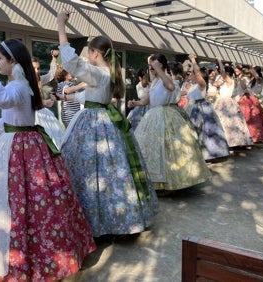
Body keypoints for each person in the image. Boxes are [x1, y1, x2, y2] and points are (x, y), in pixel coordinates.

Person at [0, 39, 96, 281]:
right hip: (17, 144)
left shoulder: (18, 86)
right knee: (18, 202)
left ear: (13, 61)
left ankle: (32, 259)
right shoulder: (19, 85)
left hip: (21, 150)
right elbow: (9, 121)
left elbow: (2, 99)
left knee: (21, 201)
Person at [57, 10, 158, 238]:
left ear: (94, 54)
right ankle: (115, 217)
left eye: (89, 52)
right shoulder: (108, 73)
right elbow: (91, 96)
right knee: (111, 172)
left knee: (90, 172)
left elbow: (71, 62)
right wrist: (72, 96)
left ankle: (95, 222)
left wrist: (60, 25)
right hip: (104, 120)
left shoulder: (98, 72)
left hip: (92, 123)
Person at [133, 53, 210, 192]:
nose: (151, 67)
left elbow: (170, 87)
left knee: (168, 148)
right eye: (150, 65)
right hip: (152, 115)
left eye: (154, 64)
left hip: (166, 115)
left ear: (161, 65)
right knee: (152, 148)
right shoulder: (155, 82)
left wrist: (159, 70)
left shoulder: (167, 78)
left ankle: (170, 183)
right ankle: (153, 181)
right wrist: (136, 103)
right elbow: (147, 100)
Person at [183, 54, 229, 161]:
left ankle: (209, 154)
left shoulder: (201, 84)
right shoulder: (192, 86)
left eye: (193, 74)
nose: (191, 75)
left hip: (202, 110)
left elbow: (198, 74)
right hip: (192, 110)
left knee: (205, 132)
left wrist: (194, 61)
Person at [213, 57, 253, 148]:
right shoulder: (231, 81)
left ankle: (229, 142)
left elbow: (222, 71)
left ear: (227, 73)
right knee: (232, 122)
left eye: (224, 73)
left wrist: (219, 61)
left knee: (226, 122)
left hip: (224, 102)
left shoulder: (229, 80)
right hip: (228, 102)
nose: (221, 74)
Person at [234, 64, 263, 143]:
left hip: (257, 99)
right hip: (250, 100)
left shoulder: (259, 79)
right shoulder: (250, 80)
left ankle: (259, 137)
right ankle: (253, 136)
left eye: (253, 71)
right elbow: (244, 89)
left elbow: (257, 77)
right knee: (252, 119)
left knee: (258, 120)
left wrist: (251, 67)